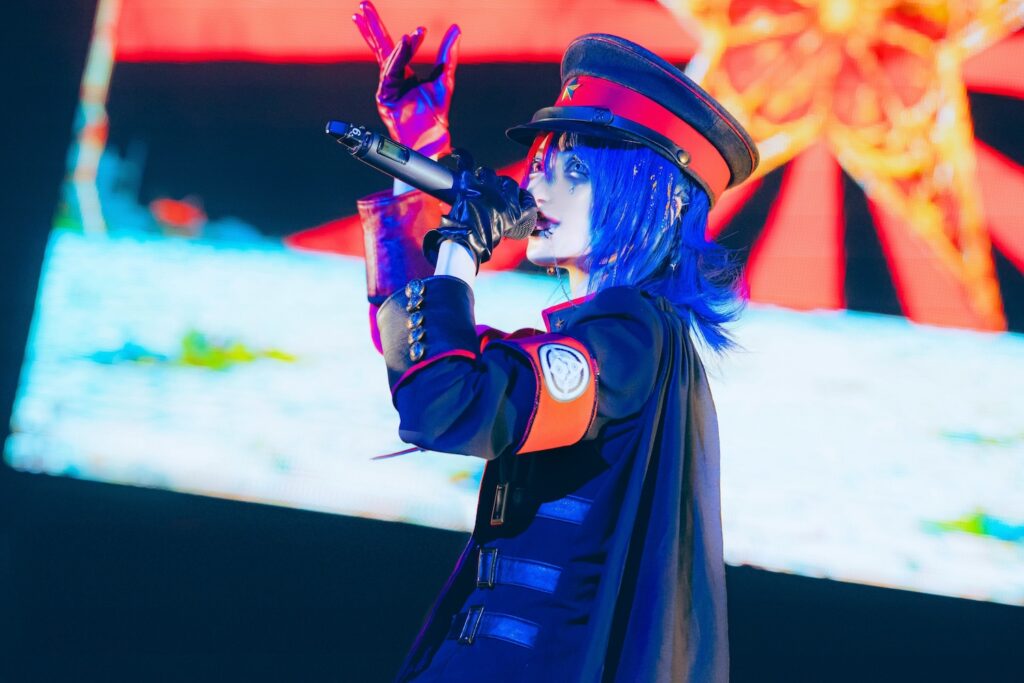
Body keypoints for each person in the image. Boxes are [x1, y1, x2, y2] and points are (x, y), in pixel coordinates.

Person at [351, 4, 759, 680]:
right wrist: (416, 146)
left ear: (652, 196)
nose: (533, 185)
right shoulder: (614, 336)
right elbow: (424, 360)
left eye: (571, 169)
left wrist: (461, 245)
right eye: (539, 163)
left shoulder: (631, 338)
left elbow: (448, 405)